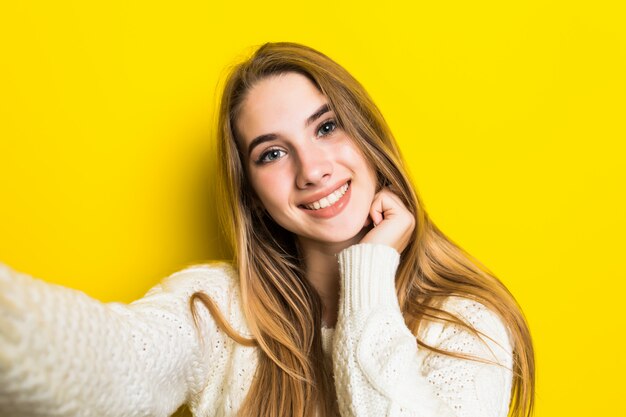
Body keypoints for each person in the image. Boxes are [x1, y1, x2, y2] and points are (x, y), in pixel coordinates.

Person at [0, 42, 535, 417]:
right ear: (252, 195)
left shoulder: (463, 324)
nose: (312, 169)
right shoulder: (216, 311)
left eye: (327, 127)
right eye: (273, 153)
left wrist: (369, 274)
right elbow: (102, 367)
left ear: (370, 138)